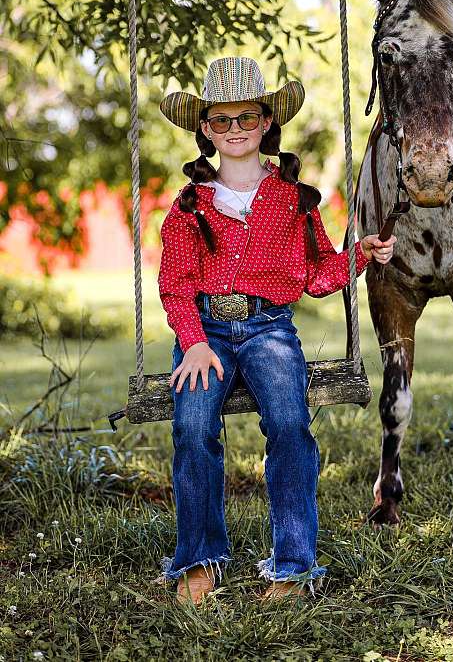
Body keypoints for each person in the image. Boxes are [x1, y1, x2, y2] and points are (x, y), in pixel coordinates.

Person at [157, 56, 396, 604]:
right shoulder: (191, 205)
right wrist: (193, 342)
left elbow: (315, 276)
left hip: (269, 327)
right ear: (206, 129)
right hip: (206, 331)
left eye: (247, 118)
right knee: (192, 430)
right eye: (222, 120)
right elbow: (175, 283)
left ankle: (293, 565)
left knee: (290, 427)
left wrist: (359, 255)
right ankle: (199, 559)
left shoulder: (293, 198)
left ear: (266, 122)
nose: (235, 129)